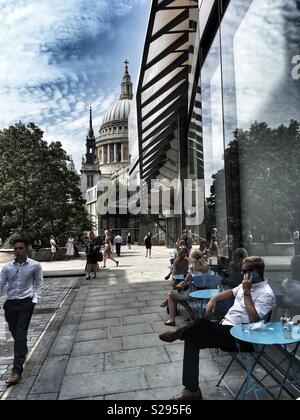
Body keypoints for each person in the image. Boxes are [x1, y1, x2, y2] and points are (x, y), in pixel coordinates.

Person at [159, 256, 275, 400]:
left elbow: (254, 320)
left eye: (244, 271)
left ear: (255, 272)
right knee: (192, 337)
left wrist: (246, 293)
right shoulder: (244, 285)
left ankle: (178, 334)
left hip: (243, 337)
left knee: (201, 324)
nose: (241, 274)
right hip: (226, 330)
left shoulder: (266, 293)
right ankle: (191, 390)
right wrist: (214, 299)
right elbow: (231, 292)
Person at [0, 239, 44, 387]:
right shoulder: (7, 267)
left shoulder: (34, 265)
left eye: (20, 248)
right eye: (15, 248)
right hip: (10, 304)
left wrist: (34, 300)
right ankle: (23, 350)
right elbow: (1, 284)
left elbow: (39, 283)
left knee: (20, 335)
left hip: (26, 303)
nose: (17, 251)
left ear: (26, 249)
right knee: (15, 333)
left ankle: (16, 371)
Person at [163, 249, 209, 327]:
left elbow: (184, 283)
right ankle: (190, 311)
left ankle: (172, 319)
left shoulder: (192, 267)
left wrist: (182, 283)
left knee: (171, 295)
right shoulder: (206, 267)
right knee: (179, 295)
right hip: (205, 294)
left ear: (192, 257)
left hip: (193, 294)